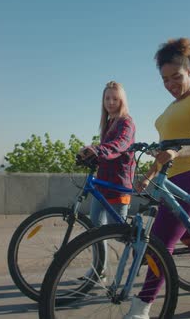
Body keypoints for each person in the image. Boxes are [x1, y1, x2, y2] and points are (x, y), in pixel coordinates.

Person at [124, 38, 190, 318]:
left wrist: (178, 152)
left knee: (160, 241)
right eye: (165, 79)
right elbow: (165, 150)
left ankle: (142, 307)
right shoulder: (168, 109)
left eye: (176, 77)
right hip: (170, 180)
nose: (170, 84)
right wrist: (149, 175)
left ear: (189, 71)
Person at [78, 80, 136, 279]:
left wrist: (98, 150)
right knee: (95, 228)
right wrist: (89, 153)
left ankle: (147, 250)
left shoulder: (126, 122)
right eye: (107, 98)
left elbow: (119, 144)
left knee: (120, 233)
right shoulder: (109, 123)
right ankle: (99, 269)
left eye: (115, 98)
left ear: (122, 100)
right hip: (102, 183)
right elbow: (107, 147)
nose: (111, 102)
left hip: (117, 185)